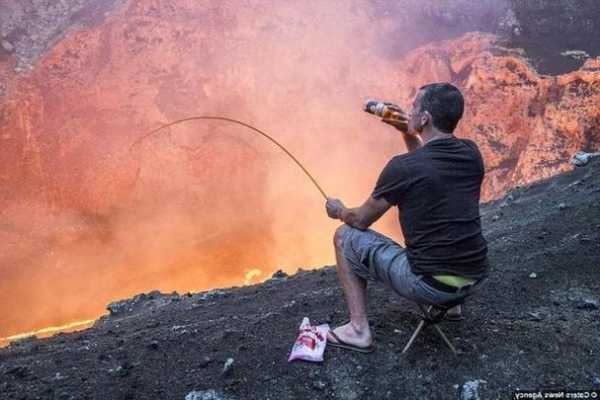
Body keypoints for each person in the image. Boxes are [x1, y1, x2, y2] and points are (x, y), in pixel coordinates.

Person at [325, 83, 489, 352]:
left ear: (425, 118)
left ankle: (357, 330)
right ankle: (452, 308)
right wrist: (406, 131)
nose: (408, 110)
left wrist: (339, 211)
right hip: (473, 277)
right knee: (445, 220)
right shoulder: (471, 153)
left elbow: (361, 220)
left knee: (345, 236)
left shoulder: (402, 167)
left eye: (414, 106)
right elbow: (428, 168)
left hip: (430, 284)